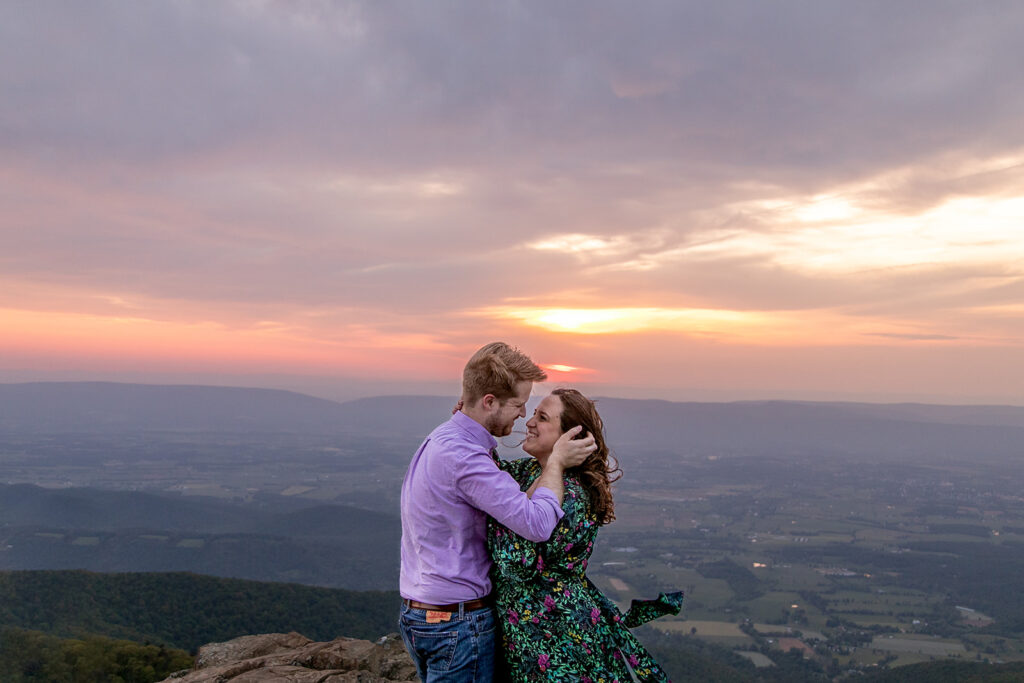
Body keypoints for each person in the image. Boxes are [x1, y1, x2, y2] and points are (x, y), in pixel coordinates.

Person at [399, 342, 596, 682]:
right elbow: (536, 523)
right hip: (457, 624)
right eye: (520, 405)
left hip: (424, 614)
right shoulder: (466, 459)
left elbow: (498, 484)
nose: (523, 415)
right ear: (489, 402)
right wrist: (558, 463)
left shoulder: (445, 438)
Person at [487, 388, 683, 681]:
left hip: (558, 637)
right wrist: (470, 419)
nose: (529, 422)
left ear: (568, 439)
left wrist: (555, 464)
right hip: (530, 633)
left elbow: (515, 563)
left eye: (542, 418)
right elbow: (483, 474)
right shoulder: (528, 471)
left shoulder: (574, 495)